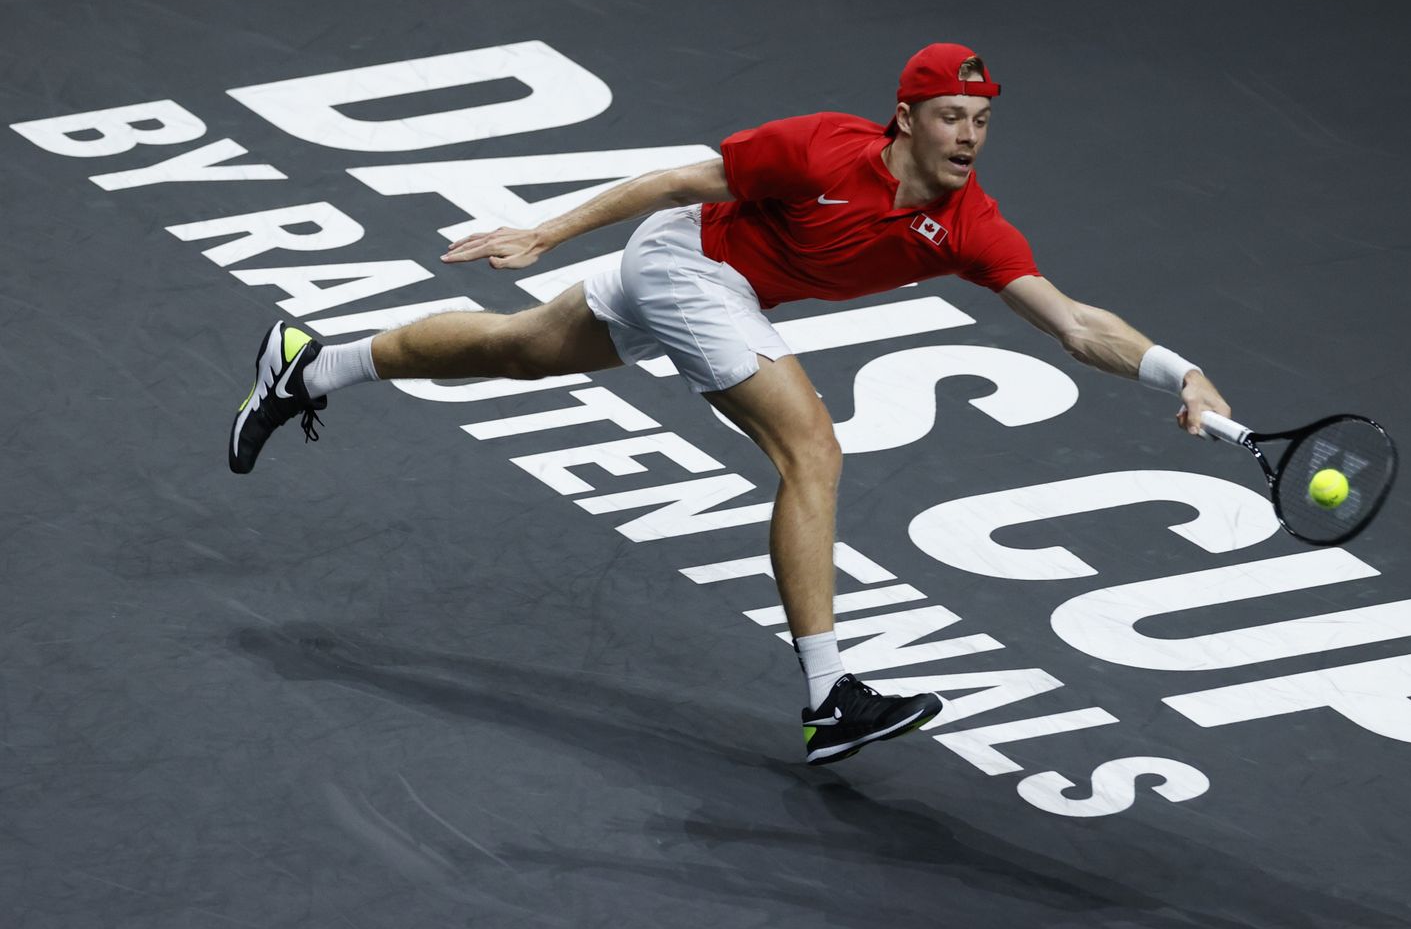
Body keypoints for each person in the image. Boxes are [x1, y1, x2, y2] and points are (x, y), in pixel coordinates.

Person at [229, 43, 1232, 766]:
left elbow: (1072, 323)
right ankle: (829, 697)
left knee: (522, 349)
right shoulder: (820, 153)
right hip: (692, 262)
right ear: (906, 118)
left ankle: (313, 364)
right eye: (950, 117)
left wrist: (1174, 371)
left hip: (718, 284)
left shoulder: (966, 224)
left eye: (981, 120)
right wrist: (543, 232)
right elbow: (678, 176)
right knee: (811, 452)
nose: (968, 136)